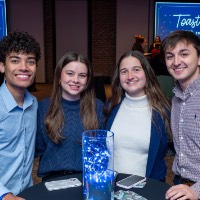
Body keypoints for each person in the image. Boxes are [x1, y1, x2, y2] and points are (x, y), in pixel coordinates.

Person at [35, 52, 105, 181]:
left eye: (82, 75)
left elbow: (99, 150)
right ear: (59, 76)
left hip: (86, 178)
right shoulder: (43, 107)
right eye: (70, 73)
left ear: (88, 80)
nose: (76, 80)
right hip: (52, 179)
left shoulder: (97, 106)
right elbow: (39, 148)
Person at [105, 50, 171, 181]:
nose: (130, 76)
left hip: (147, 189)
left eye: (136, 69)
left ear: (147, 73)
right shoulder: (110, 106)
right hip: (111, 187)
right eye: (124, 71)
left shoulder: (163, 111)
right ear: (119, 77)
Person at [0, 31, 41, 200]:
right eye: (15, 60)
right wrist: (5, 195)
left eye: (30, 61)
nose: (24, 67)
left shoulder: (34, 104)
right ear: (2, 66)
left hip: (25, 193)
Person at [161, 30, 200, 200]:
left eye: (184, 54)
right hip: (179, 185)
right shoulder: (176, 99)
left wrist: (197, 190)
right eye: (170, 56)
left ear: (199, 58)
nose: (176, 62)